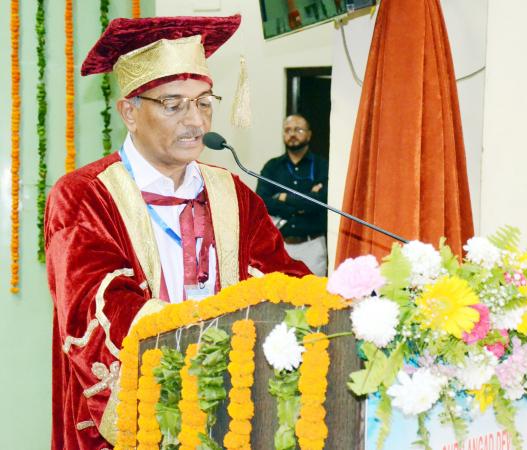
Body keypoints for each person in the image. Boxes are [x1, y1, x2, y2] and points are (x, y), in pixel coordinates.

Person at [44, 15, 309, 450]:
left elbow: (281, 278)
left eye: (204, 102)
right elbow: (98, 311)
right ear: (130, 111)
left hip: (231, 414)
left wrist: (343, 301)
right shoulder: (85, 196)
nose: (196, 122)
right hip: (141, 419)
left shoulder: (232, 193)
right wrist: (205, 348)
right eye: (174, 104)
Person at [257, 114, 329, 276]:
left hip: (312, 245)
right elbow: (262, 202)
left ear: (309, 134)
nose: (292, 134)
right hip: (281, 245)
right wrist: (304, 202)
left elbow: (321, 202)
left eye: (298, 129)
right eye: (288, 130)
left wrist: (283, 197)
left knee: (315, 298)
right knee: (278, 299)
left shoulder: (322, 166)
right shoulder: (272, 167)